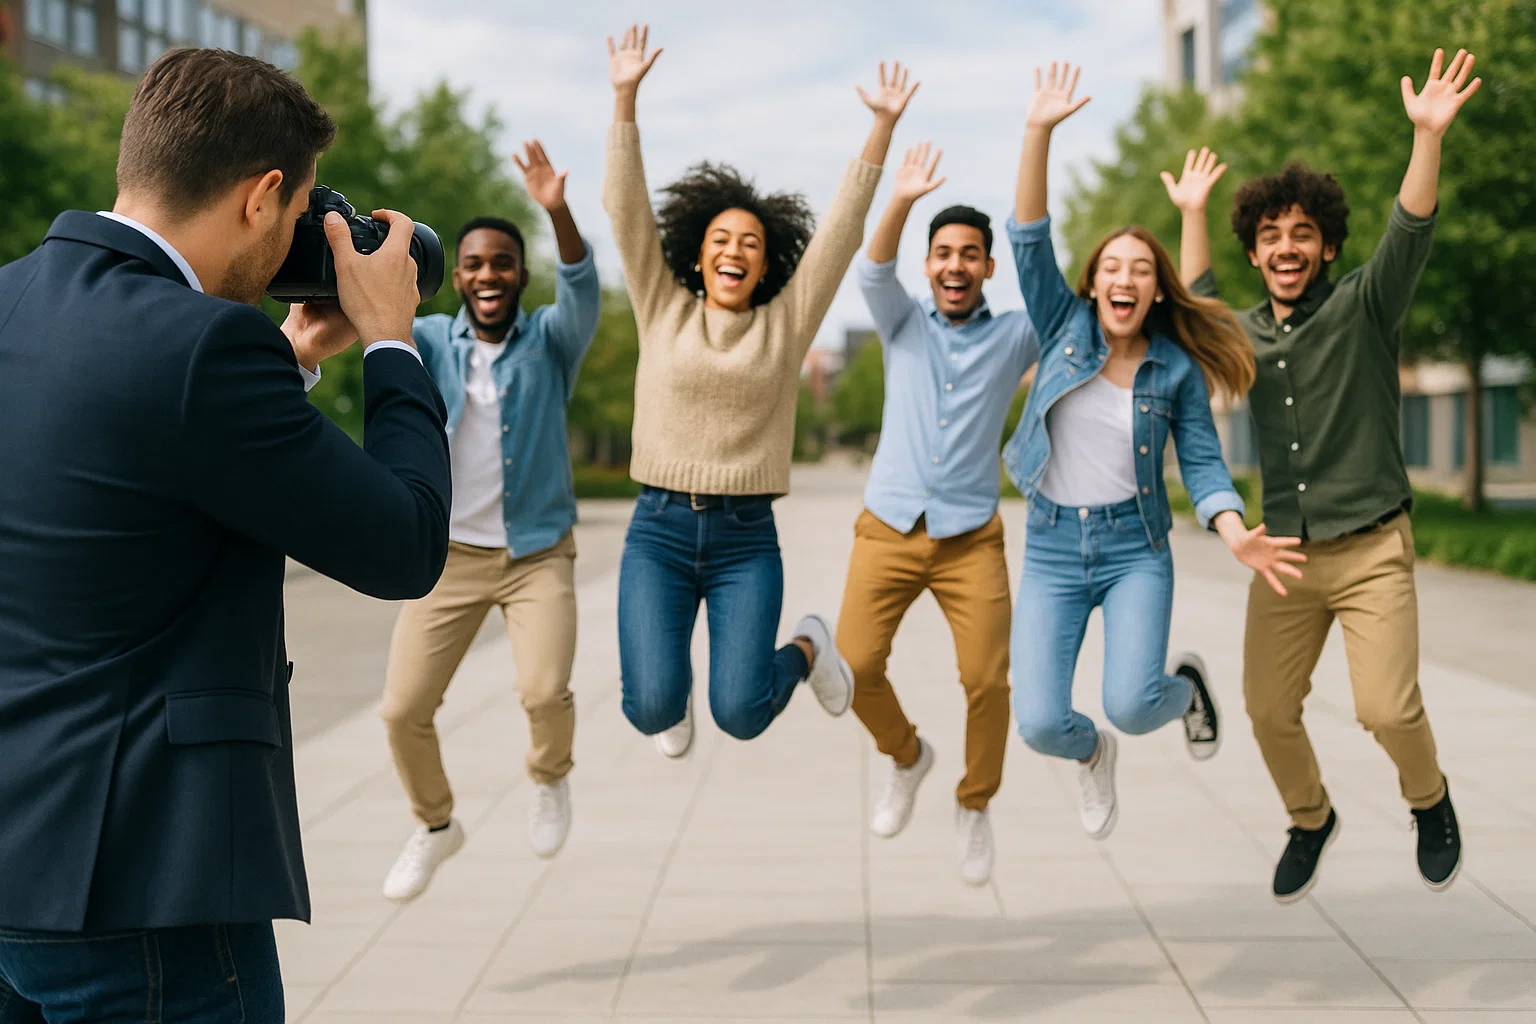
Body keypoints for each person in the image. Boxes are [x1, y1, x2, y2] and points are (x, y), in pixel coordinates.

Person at [0, 49, 450, 1022]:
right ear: (263, 196)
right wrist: (390, 339)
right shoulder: (203, 344)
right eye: (295, 222)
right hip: (148, 880)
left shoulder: (12, 300)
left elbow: (124, 466)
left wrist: (284, 358)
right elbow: (404, 544)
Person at [1171, 48, 1480, 902]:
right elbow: (1194, 302)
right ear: (1256, 252)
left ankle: (1431, 801)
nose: (1285, 247)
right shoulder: (1243, 337)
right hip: (1286, 558)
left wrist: (1427, 137)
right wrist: (1192, 210)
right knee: (1268, 711)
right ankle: (1311, 819)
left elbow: (1410, 228)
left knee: (1386, 709)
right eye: (1270, 236)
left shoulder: (1365, 306)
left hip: (1374, 544)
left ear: (1328, 246)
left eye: (1302, 233)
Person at [1002, 62, 1304, 841]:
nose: (1125, 279)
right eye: (1111, 269)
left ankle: (1184, 691)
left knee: (1135, 704)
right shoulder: (1063, 327)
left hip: (1137, 547)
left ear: (1155, 290)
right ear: (1093, 285)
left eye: (1141, 269)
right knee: (1038, 723)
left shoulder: (1172, 367)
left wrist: (1235, 529)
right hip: (1053, 549)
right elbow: (1028, 238)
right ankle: (1090, 754)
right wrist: (1038, 131)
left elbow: (1202, 460)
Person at [602, 24, 912, 756]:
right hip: (659, 530)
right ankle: (667, 698)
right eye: (720, 239)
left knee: (741, 713)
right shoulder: (662, 305)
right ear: (698, 255)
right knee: (650, 710)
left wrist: (881, 129)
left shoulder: (787, 324)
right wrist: (624, 97)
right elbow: (625, 211)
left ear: (767, 262)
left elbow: (838, 231)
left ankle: (807, 646)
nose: (734, 249)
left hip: (746, 539)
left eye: (750, 242)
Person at [377, 141, 602, 902]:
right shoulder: (435, 338)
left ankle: (549, 777)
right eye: (473, 263)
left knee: (544, 692)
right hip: (449, 558)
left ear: (518, 274)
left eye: (502, 263)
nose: (486, 275)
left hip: (538, 553)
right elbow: (377, 308)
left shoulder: (551, 341)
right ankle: (437, 825)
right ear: (460, 275)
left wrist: (555, 206)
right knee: (403, 709)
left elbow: (581, 283)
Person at [834, 143, 1039, 886]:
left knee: (987, 680)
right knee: (853, 667)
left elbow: (1060, 308)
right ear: (930, 266)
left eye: (971, 254)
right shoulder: (902, 324)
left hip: (969, 538)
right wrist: (902, 198)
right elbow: (872, 269)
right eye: (943, 253)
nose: (956, 265)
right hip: (886, 525)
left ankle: (975, 802)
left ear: (988, 267)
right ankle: (906, 755)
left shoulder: (1016, 333)